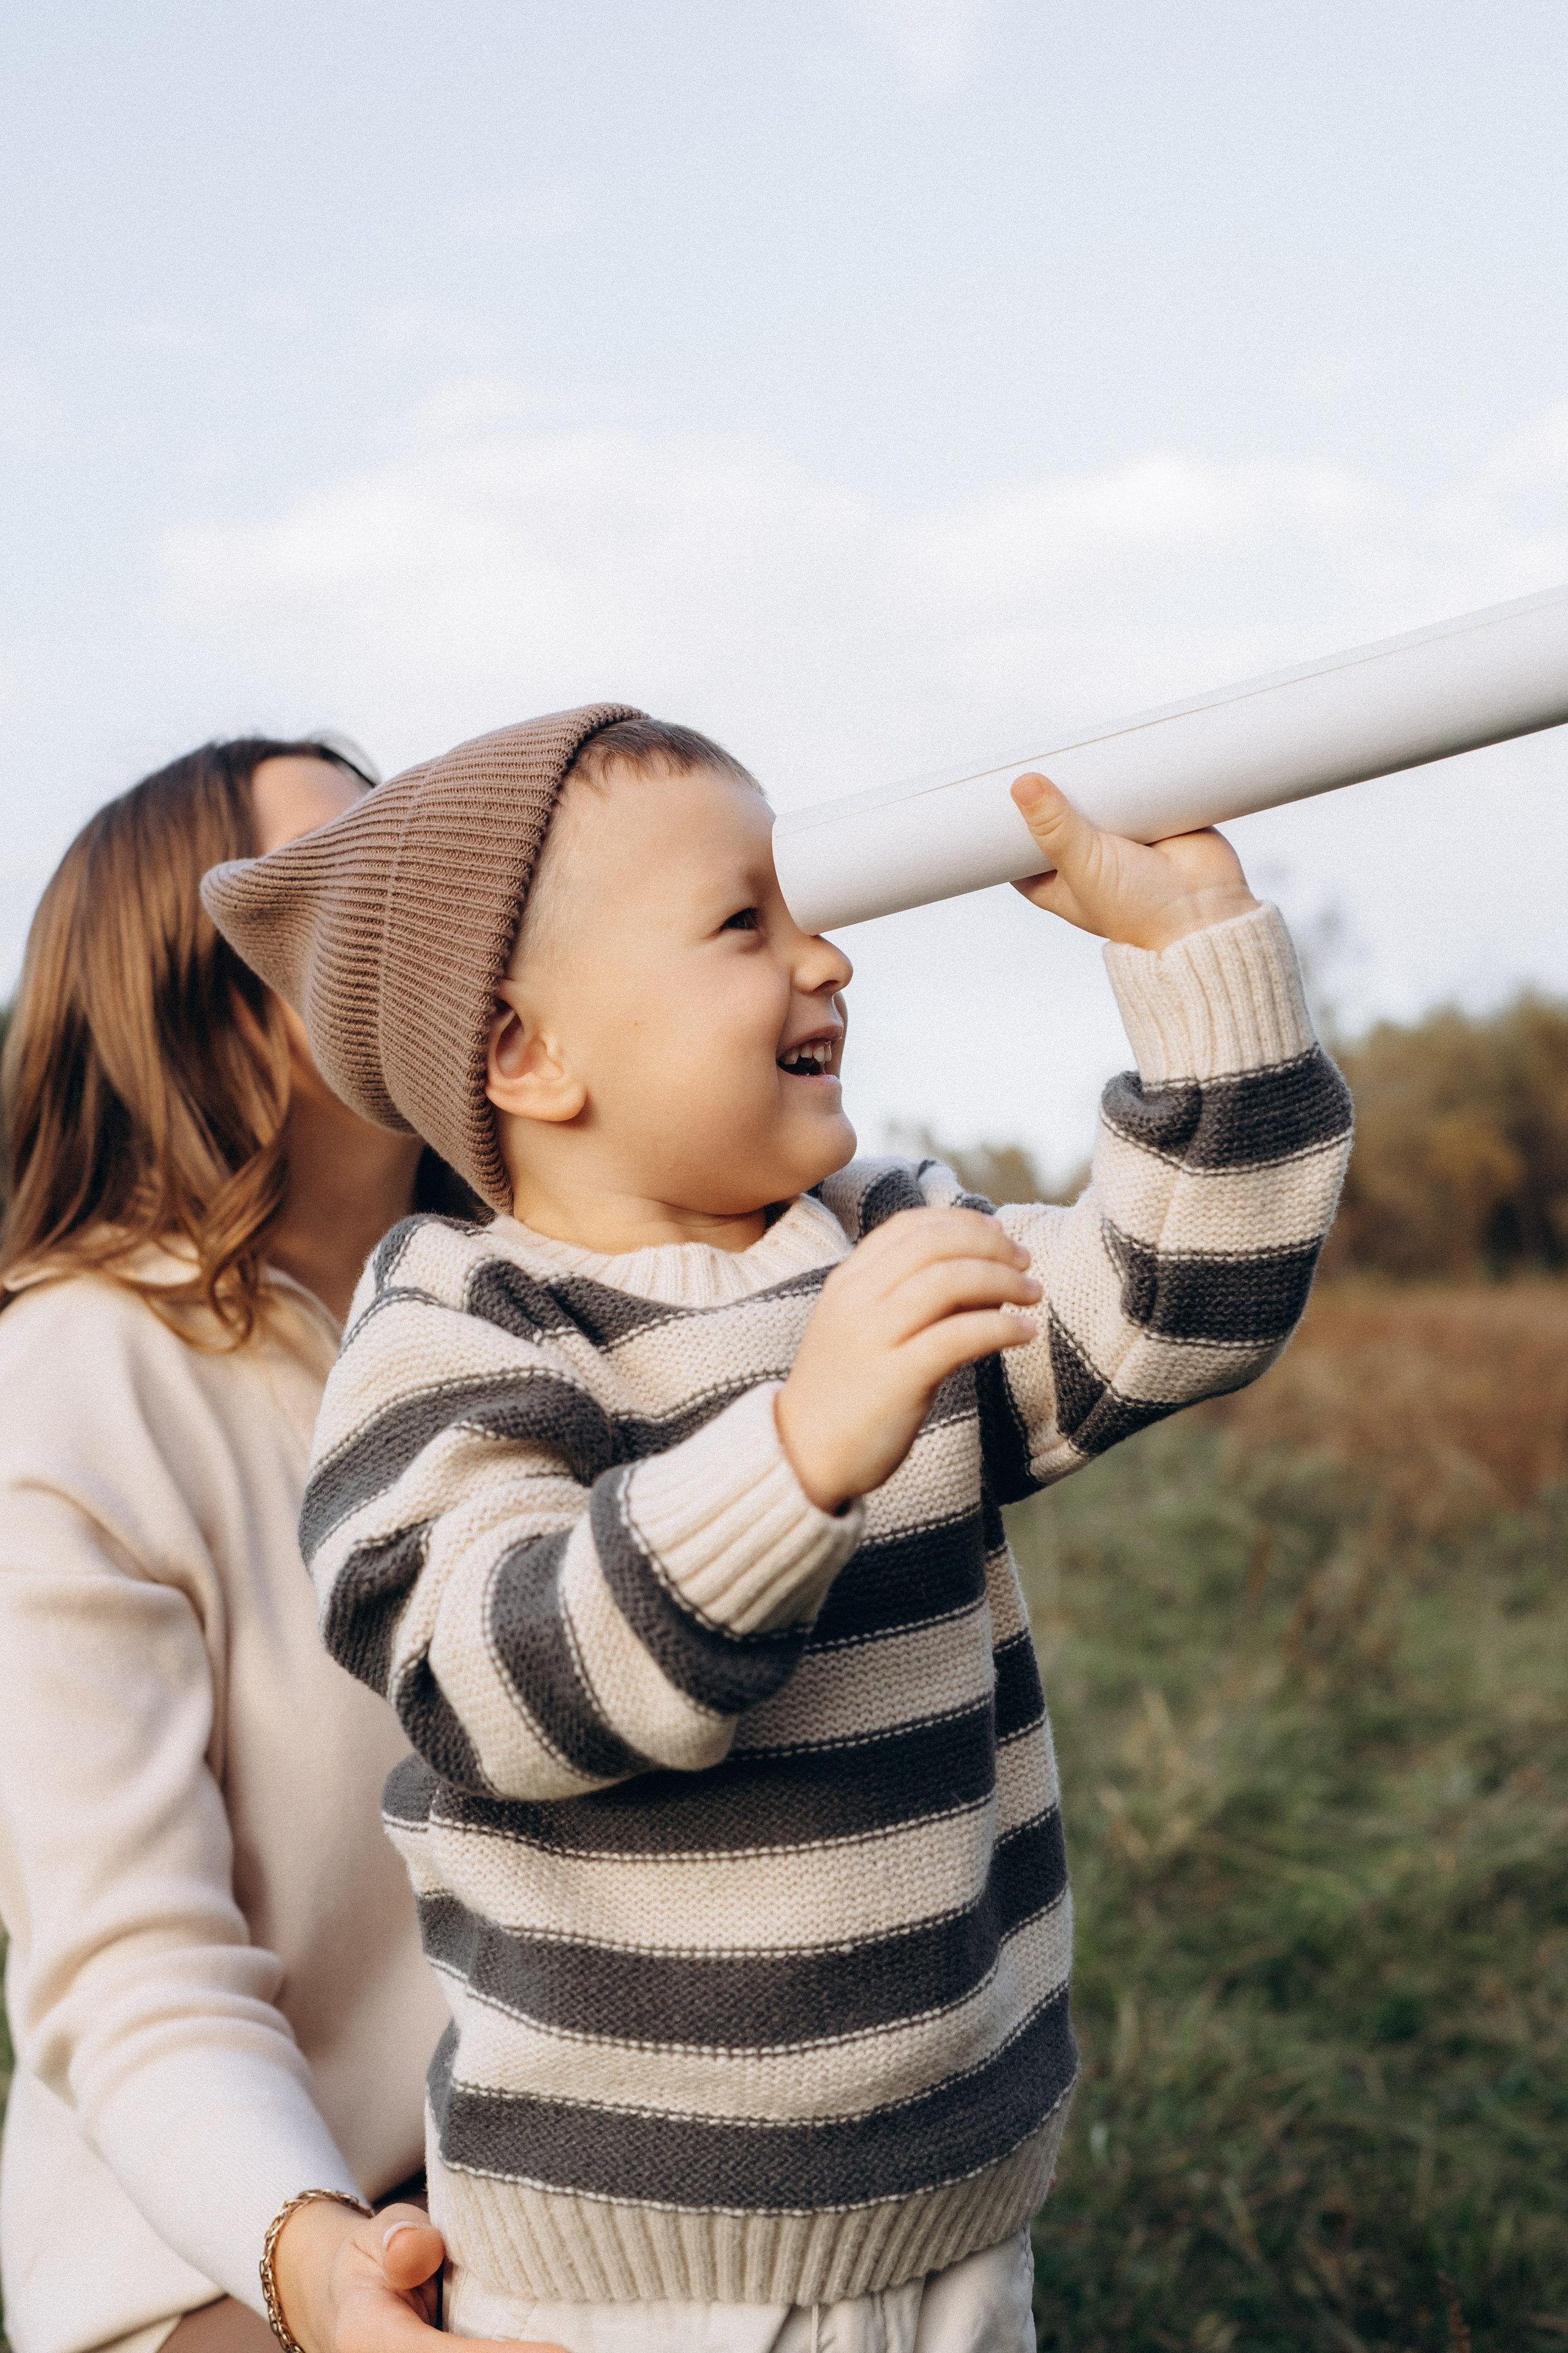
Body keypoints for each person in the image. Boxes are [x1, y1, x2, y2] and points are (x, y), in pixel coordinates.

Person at [203, 706, 1354, 2353]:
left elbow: (1172, 1309)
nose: (829, 958)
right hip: (635, 2272)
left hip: (957, 2211)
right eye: (745, 920)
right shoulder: (464, 1320)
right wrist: (795, 1455)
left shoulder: (879, 1235)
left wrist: (1200, 962)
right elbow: (489, 1679)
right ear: (527, 1053)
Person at [0, 739, 473, 2353]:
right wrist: (319, 2267)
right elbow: (136, 1965)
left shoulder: (529, 1302)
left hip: (545, 2182)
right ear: (189, 988)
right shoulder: (73, 1381)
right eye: (353, 875)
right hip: (233, 2253)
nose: (431, 909)